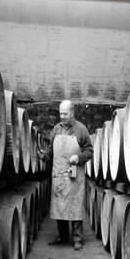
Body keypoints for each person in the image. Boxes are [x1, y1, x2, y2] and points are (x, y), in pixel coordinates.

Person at [39, 99, 93, 250]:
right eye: (60, 113)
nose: (62, 116)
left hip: (74, 174)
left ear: (72, 113)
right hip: (59, 174)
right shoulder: (56, 129)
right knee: (60, 206)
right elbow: (51, 150)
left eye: (65, 113)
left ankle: (77, 239)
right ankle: (62, 236)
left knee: (74, 206)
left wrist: (79, 157)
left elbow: (90, 151)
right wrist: (45, 156)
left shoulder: (81, 130)